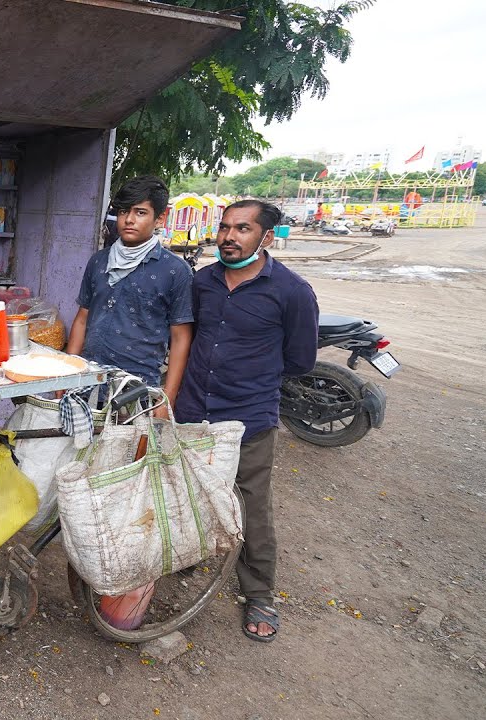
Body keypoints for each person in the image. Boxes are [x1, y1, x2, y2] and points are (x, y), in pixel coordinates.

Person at [173, 199, 319, 643]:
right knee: (188, 491)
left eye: (242, 229)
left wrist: (251, 376)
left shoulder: (292, 291)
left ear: (266, 237)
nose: (229, 237)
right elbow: (187, 337)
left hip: (249, 418)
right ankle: (189, 555)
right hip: (194, 410)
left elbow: (299, 360)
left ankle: (259, 593)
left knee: (251, 505)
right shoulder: (203, 282)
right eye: (224, 228)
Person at [66, 176, 194, 414]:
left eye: (140, 212)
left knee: (129, 450)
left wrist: (168, 398)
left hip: (137, 388)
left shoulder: (175, 271)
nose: (130, 220)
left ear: (160, 218)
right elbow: (82, 318)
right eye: (124, 211)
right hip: (88, 382)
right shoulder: (99, 261)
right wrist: (66, 374)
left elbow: (180, 339)